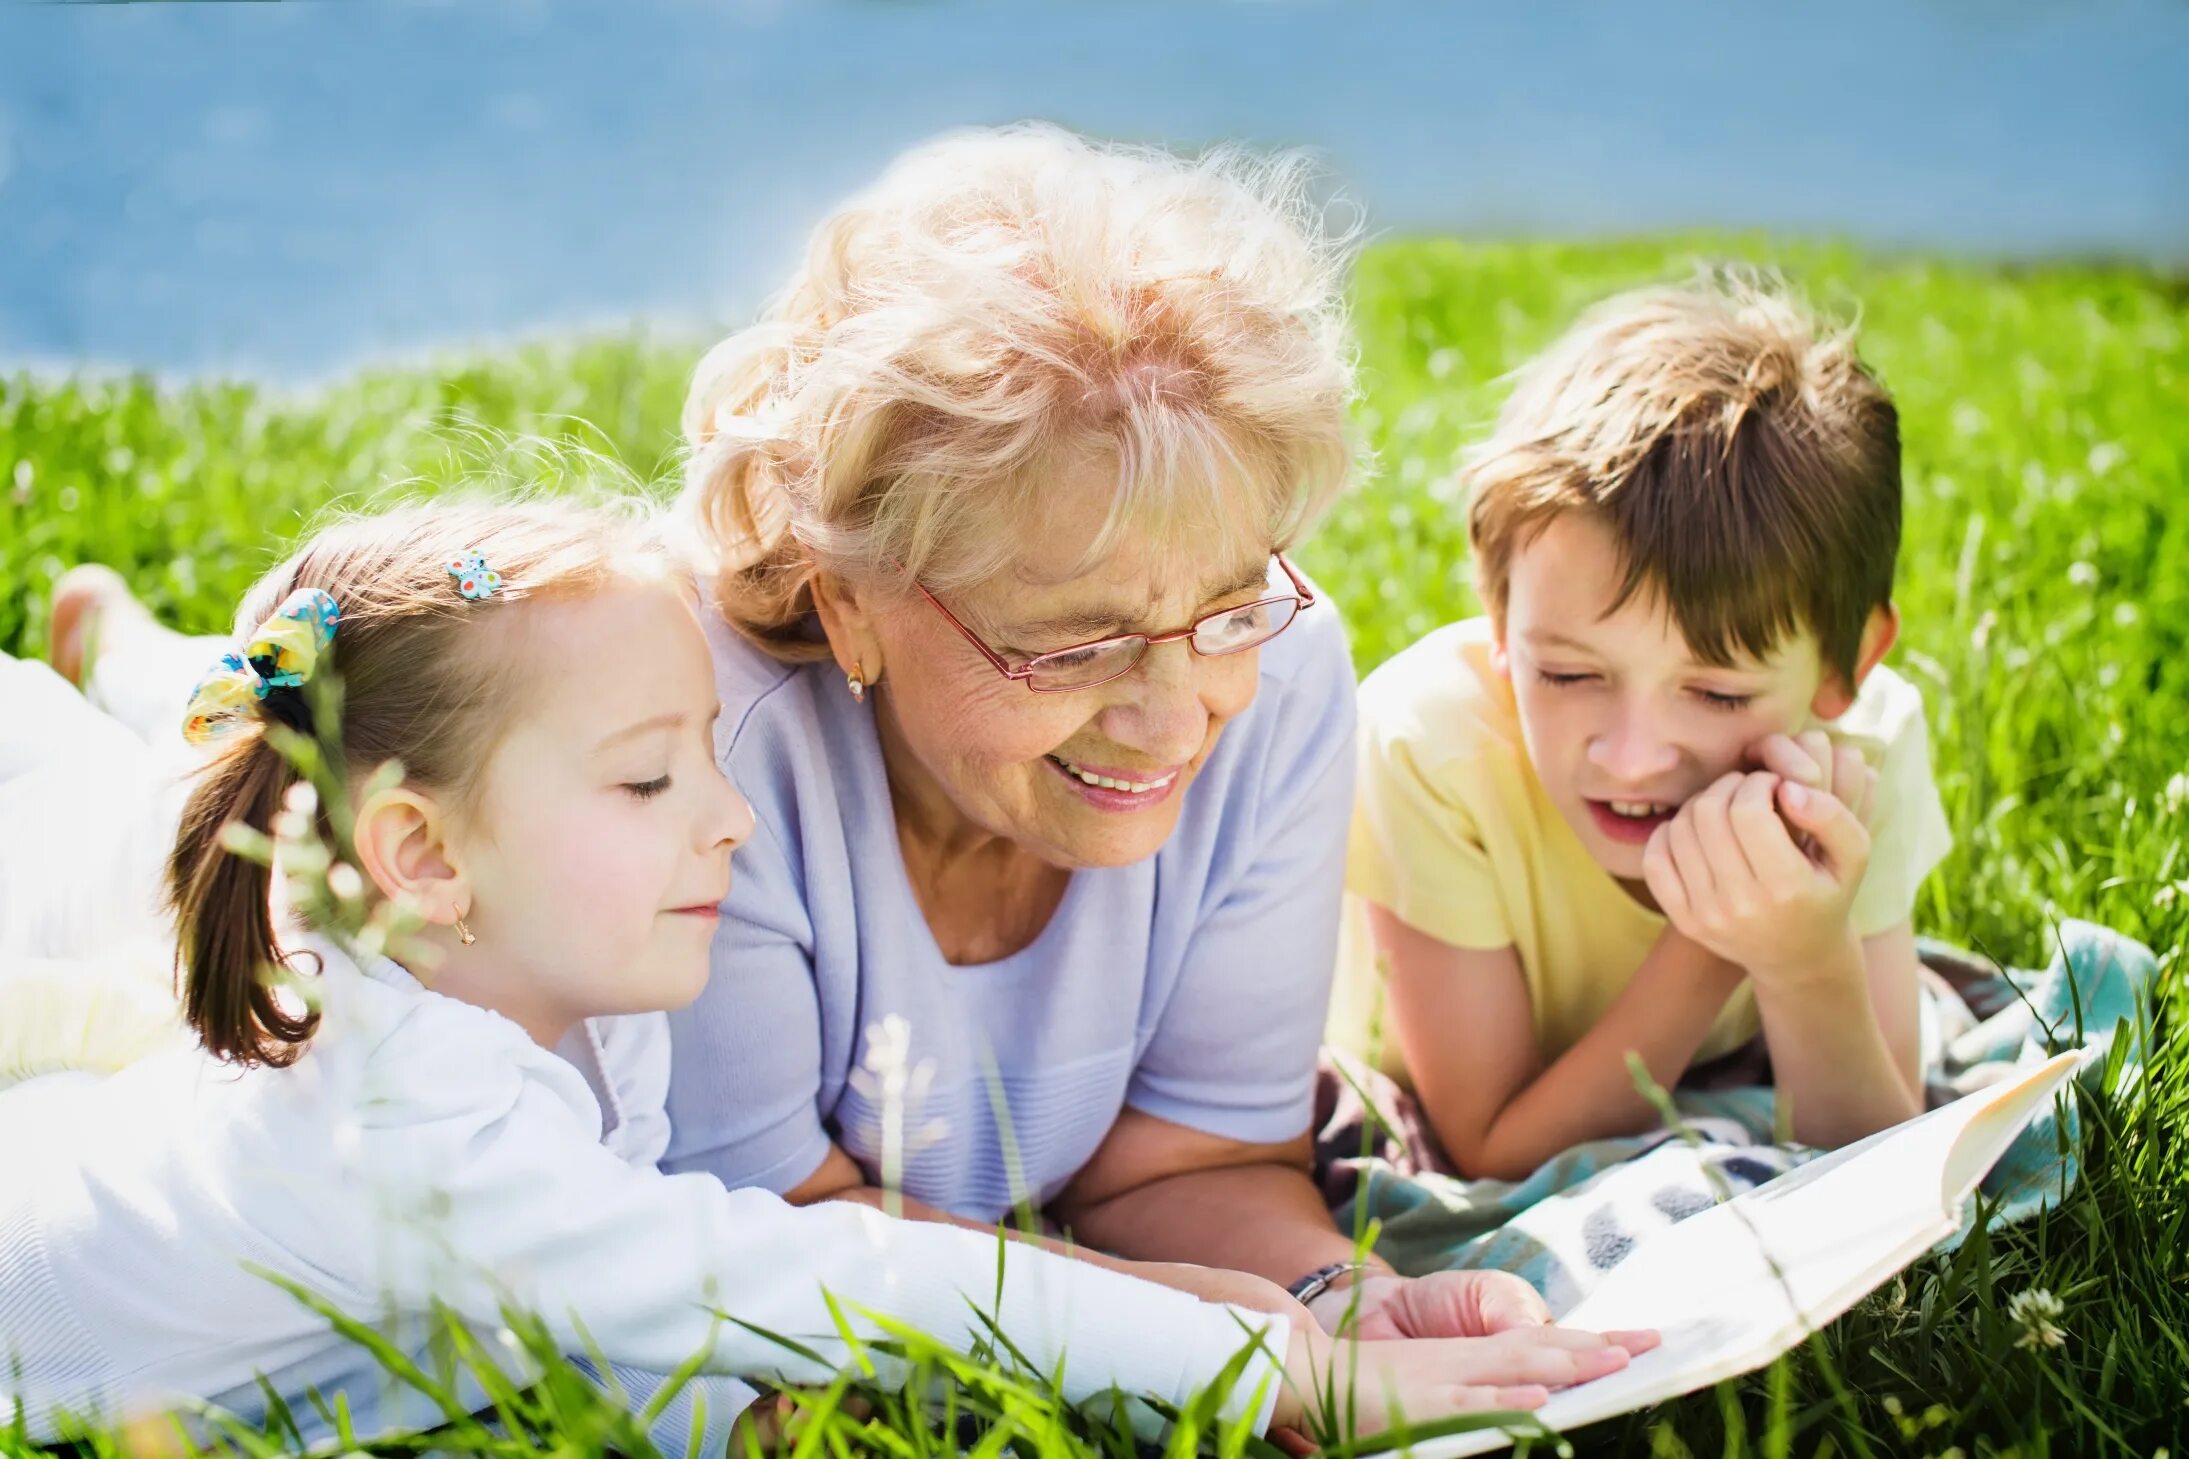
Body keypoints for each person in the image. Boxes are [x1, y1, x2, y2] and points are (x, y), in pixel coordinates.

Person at [1, 499, 1653, 1452]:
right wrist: (1271, 1365)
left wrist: (1258, 1294)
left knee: (186, 839)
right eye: (650, 782)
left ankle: (142, 670)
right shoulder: (423, 1130)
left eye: (706, 760)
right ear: (428, 854)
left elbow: (612, 1297)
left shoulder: (537, 978)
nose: (732, 817)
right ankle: (123, 682)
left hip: (148, 1128)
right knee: (127, 854)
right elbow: (812, 1277)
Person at [665, 123, 1527, 1336]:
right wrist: (1220, 1338)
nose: (1176, 720)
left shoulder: (1278, 676)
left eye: (1226, 603)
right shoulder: (692, 749)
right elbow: (764, 1245)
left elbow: (1190, 1166)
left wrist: (1338, 1301)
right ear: (845, 597)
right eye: (1075, 644)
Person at [1332, 274, 1952, 1181]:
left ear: (1843, 667)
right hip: (1457, 1109)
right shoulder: (1430, 749)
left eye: (1717, 694)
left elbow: (1877, 1163)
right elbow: (1491, 1149)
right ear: (1500, 623)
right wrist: (1715, 939)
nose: (1629, 755)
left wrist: (1806, 964)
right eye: (1570, 673)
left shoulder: (1865, 750)